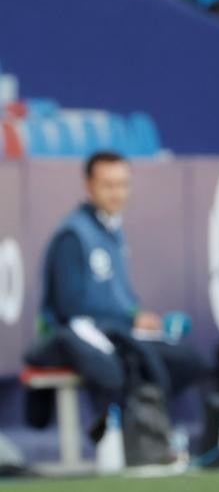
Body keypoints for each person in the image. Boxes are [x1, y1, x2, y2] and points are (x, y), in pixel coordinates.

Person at [36, 152, 207, 408]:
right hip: (92, 337)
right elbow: (69, 309)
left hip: (122, 332)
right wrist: (130, 319)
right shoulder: (73, 236)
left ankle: (143, 430)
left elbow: (120, 298)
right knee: (159, 363)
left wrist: (140, 318)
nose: (117, 193)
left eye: (123, 184)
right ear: (89, 186)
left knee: (188, 360)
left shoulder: (113, 232)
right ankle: (132, 432)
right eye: (108, 185)